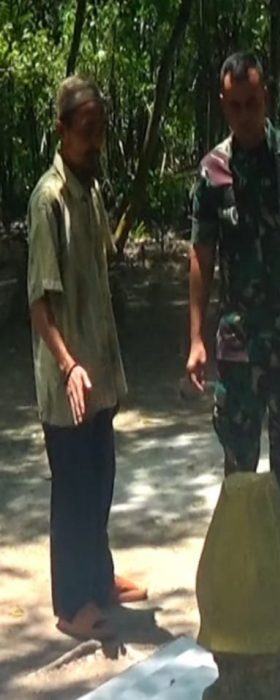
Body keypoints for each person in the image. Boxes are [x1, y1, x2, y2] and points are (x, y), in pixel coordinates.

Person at [188, 52, 280, 604]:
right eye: (234, 106)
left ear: (265, 98)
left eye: (252, 103)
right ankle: (241, 575)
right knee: (238, 464)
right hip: (237, 344)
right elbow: (201, 255)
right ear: (224, 104)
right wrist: (195, 339)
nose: (244, 115)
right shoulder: (213, 171)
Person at [28, 76, 147, 641]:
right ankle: (71, 602)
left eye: (100, 130)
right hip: (66, 380)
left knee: (101, 480)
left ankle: (100, 579)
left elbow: (98, 274)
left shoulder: (91, 192)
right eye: (86, 131)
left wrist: (99, 367)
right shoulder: (48, 200)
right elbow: (41, 304)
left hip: (98, 374)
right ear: (62, 129)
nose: (95, 141)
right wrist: (69, 364)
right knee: (73, 488)